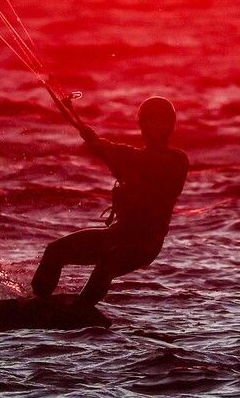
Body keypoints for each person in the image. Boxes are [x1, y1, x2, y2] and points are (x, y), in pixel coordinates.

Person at [31, 86, 189, 308]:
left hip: (144, 243)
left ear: (171, 126)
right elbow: (122, 157)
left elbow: (139, 161)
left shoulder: (176, 161)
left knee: (107, 264)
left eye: (163, 122)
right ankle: (37, 303)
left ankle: (81, 309)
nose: (158, 127)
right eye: (152, 121)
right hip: (118, 234)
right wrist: (95, 142)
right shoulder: (132, 159)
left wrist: (101, 145)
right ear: (143, 125)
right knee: (55, 251)